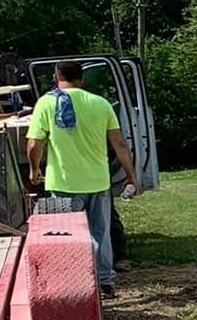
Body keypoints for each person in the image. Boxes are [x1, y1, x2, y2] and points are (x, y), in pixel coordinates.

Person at [25, 61, 137, 296]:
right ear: (81, 79)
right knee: (101, 233)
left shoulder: (47, 103)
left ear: (56, 79)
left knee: (68, 237)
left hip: (64, 184)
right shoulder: (100, 103)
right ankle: (105, 281)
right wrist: (131, 176)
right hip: (98, 183)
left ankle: (77, 283)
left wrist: (34, 170)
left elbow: (35, 143)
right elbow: (119, 143)